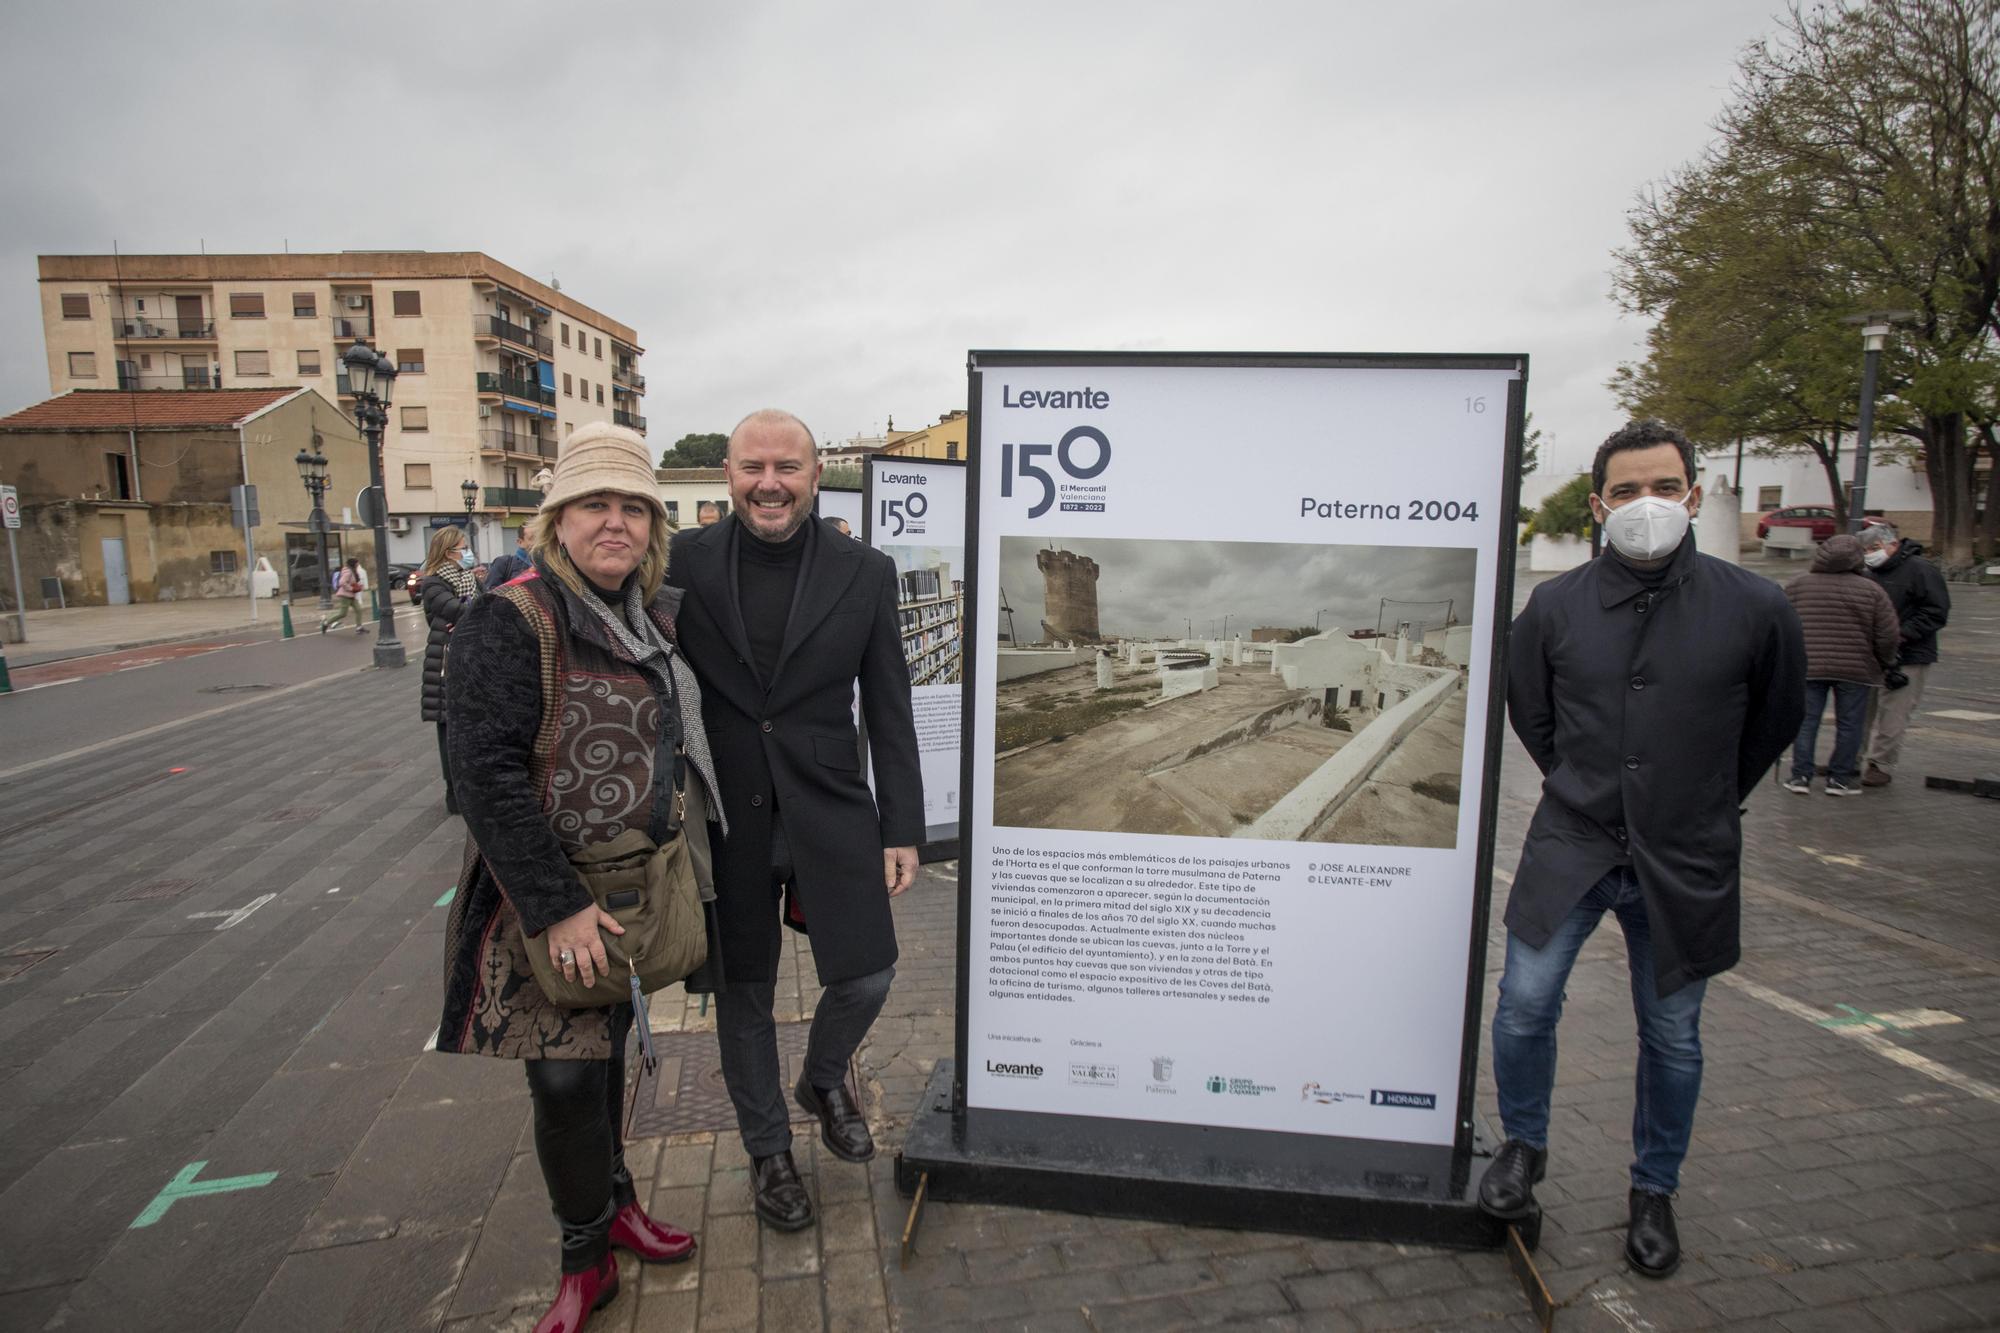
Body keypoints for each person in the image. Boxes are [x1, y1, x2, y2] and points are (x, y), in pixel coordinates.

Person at [1483, 420, 1805, 1279]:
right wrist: (1591, 786)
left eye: (1663, 486)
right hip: (1574, 843)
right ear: (1597, 505)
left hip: (1685, 855)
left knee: (1673, 1036)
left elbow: (1774, 720)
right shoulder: (1553, 607)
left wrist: (1700, 797)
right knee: (1522, 1004)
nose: (1645, 505)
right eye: (1625, 491)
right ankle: (1524, 1146)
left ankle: (1653, 1188)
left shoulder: (1756, 606)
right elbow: (1533, 714)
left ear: (1694, 496)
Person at [437, 423, 721, 1332]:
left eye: (633, 507)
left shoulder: (652, 617)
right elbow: (480, 772)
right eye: (595, 504)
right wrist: (557, 905)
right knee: (562, 1080)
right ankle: (582, 1259)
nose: (616, 523)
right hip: (544, 897)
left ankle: (618, 1202)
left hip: (629, 886)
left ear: (652, 526)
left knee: (600, 1060)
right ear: (556, 520)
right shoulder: (511, 616)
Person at [666, 408, 922, 1232]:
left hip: (829, 803)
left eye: (786, 467)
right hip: (725, 816)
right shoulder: (677, 563)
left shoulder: (865, 571)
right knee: (745, 994)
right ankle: (768, 1150)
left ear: (816, 474)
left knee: (869, 972)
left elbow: (890, 707)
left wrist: (901, 825)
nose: (768, 483)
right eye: (751, 467)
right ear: (728, 475)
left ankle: (821, 1076)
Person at [1781, 534, 1900, 796]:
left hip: (1809, 666)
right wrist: (1885, 660)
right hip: (1856, 669)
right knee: (1850, 724)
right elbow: (1888, 634)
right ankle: (1840, 779)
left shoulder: (1798, 585)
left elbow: (1780, 623)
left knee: (1806, 722)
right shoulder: (1871, 590)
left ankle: (1800, 776)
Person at [1856, 522, 1950, 787]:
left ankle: (1880, 764)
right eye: (1865, 550)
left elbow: (1936, 611)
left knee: (1893, 713)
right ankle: (1849, 758)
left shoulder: (1921, 570)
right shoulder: (1867, 572)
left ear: (1893, 544)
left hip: (1909, 654)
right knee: (1860, 710)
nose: (1870, 554)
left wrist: (1901, 635)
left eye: (1874, 548)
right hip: (1872, 654)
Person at [418, 526, 478, 816]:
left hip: (466, 656)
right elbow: (461, 611)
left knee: (467, 725)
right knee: (448, 728)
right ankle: (453, 793)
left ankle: (468, 788)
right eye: (462, 548)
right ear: (447, 552)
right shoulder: (433, 582)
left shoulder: (467, 578)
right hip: (443, 662)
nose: (467, 553)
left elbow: (478, 606)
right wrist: (471, 609)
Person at [319, 558, 368, 633]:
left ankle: (359, 627)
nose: (358, 564)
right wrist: (351, 588)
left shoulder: (353, 571)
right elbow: (342, 582)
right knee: (343, 613)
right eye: (357, 563)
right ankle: (326, 623)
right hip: (345, 595)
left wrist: (357, 586)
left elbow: (352, 581)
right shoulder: (348, 571)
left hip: (351, 595)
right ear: (353, 564)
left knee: (358, 610)